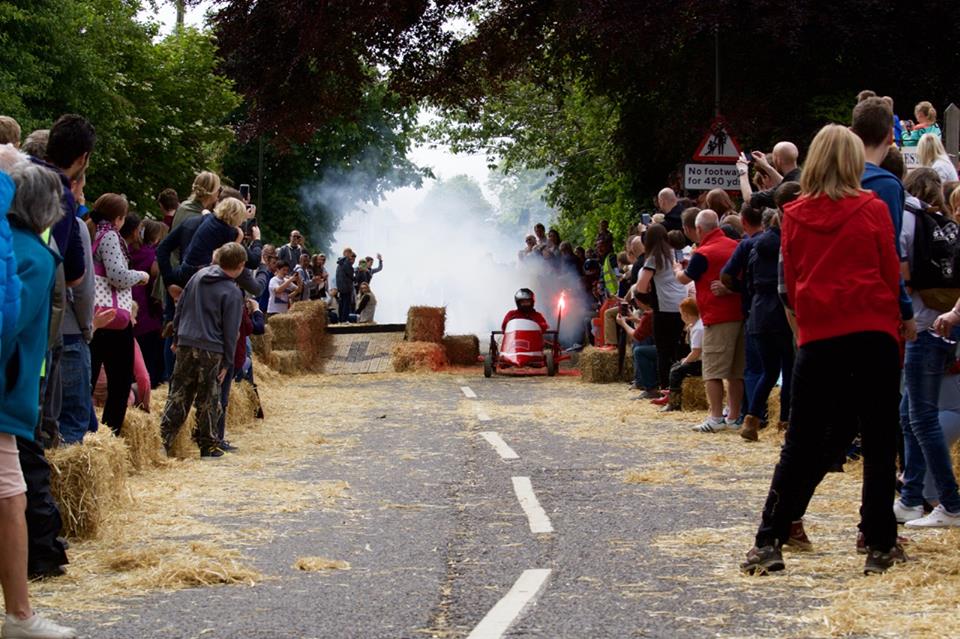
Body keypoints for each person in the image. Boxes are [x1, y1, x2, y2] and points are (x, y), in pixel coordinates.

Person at [741, 124, 905, 576]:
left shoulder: (793, 216)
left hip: (820, 336)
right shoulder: (873, 208)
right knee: (879, 441)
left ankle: (769, 540)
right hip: (872, 332)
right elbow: (889, 271)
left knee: (800, 442)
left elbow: (792, 284)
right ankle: (879, 544)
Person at [0, 159, 78, 638]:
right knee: (12, 498)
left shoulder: (20, 247)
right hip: (6, 394)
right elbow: (9, 328)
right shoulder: (31, 254)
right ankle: (20, 615)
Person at [896, 167, 960, 528]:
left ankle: (948, 502)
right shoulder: (938, 223)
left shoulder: (907, 219)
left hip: (924, 325)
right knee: (911, 414)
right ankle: (912, 497)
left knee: (921, 417)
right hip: (936, 322)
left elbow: (903, 276)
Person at [160, 242, 246, 459]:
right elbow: (231, 331)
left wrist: (176, 336)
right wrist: (227, 362)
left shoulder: (197, 277)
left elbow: (180, 306)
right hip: (211, 348)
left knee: (178, 394)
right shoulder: (232, 291)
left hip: (186, 341)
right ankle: (208, 445)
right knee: (209, 397)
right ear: (241, 265)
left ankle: (163, 441)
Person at [725, 207, 794, 441]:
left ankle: (751, 419)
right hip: (781, 313)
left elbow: (730, 277)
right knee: (789, 369)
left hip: (757, 312)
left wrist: (744, 293)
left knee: (768, 371)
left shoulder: (753, 247)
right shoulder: (786, 245)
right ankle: (785, 423)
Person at [675, 210, 745, 433]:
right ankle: (733, 417)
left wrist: (677, 269)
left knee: (712, 370)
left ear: (699, 229)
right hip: (740, 313)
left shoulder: (703, 253)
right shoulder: (736, 246)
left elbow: (684, 279)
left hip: (717, 316)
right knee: (736, 372)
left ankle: (715, 417)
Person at [89, 194, 149, 435]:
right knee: (121, 381)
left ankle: (86, 429)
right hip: (113, 317)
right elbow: (117, 276)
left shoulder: (91, 233)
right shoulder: (111, 236)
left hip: (95, 315)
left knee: (89, 376)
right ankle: (111, 431)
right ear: (118, 218)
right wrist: (141, 276)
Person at [635, 224, 688, 394]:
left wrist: (648, 296)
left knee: (663, 351)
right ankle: (679, 387)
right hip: (682, 306)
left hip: (664, 307)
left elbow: (641, 287)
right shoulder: (675, 254)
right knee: (677, 348)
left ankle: (666, 389)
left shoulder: (653, 259)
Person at [130, 220, 166, 389]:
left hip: (132, 308)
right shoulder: (153, 258)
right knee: (150, 358)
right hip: (149, 314)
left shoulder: (128, 251)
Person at [654, 297, 703, 412]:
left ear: (686, 315)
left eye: (681, 314)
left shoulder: (698, 329)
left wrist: (685, 361)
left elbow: (696, 352)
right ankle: (672, 390)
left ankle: (674, 402)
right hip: (700, 360)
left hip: (701, 363)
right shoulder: (696, 325)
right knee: (676, 365)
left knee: (676, 371)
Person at [737, 142, 801, 210]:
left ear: (778, 160)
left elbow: (749, 198)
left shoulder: (780, 193)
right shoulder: (802, 179)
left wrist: (743, 171)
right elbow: (785, 183)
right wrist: (766, 166)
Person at [617, 300, 657, 395]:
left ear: (639, 301)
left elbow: (636, 335)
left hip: (667, 349)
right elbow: (650, 326)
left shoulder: (649, 314)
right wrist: (635, 319)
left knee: (639, 350)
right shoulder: (658, 310)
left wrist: (623, 323)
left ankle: (647, 386)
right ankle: (640, 381)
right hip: (670, 346)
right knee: (642, 341)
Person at [335, 248, 357, 322]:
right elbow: (350, 274)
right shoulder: (346, 262)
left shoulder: (340, 262)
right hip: (346, 286)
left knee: (342, 304)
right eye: (350, 253)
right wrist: (356, 275)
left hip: (340, 286)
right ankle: (344, 320)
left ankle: (341, 320)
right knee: (346, 304)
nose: (350, 255)